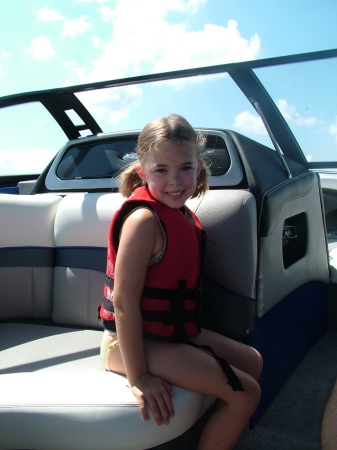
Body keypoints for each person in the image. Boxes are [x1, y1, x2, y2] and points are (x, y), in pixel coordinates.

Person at [99, 114, 262, 450]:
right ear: (143, 172)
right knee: (247, 395)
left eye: (185, 168)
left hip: (170, 333)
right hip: (127, 344)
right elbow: (124, 303)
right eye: (161, 170)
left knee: (253, 362)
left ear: (199, 167)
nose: (175, 180)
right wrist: (139, 376)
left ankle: (213, 432)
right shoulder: (144, 221)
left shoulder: (182, 215)